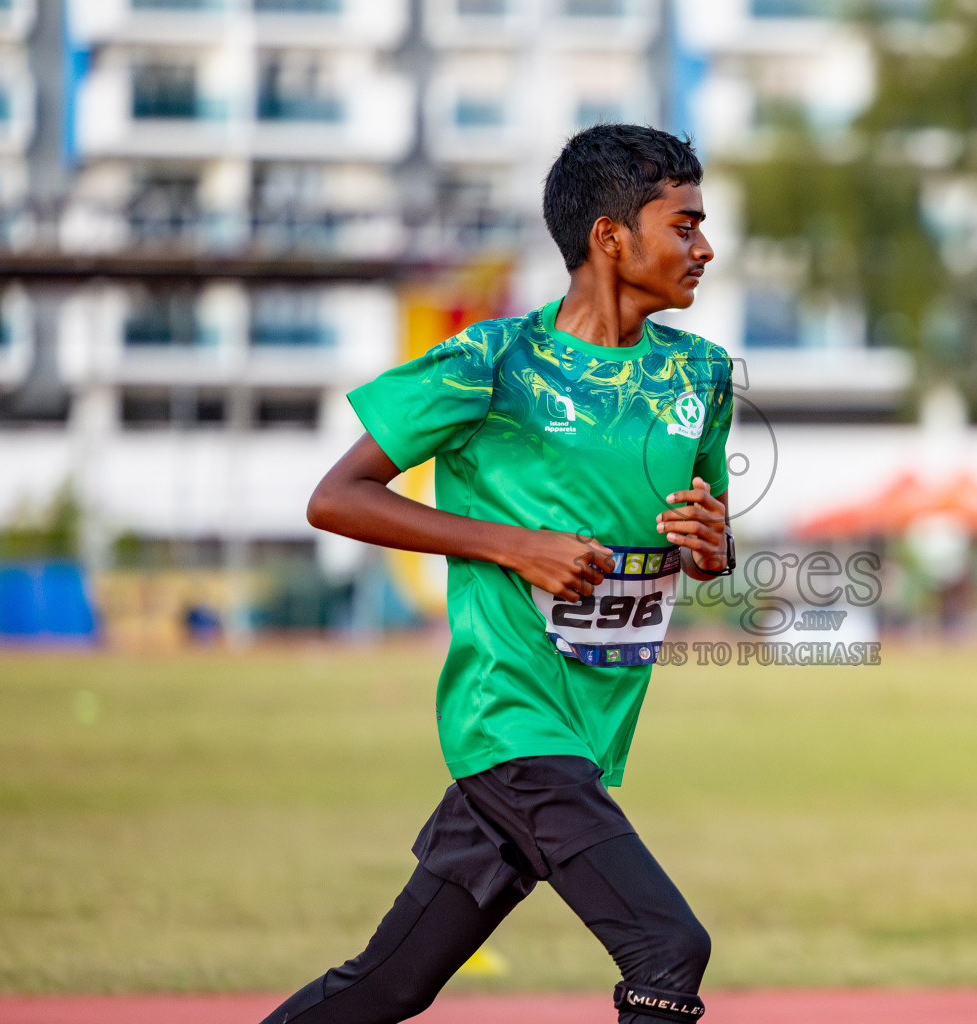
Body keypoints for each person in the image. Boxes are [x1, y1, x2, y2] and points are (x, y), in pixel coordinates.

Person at [259, 124, 734, 1024]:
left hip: (588, 733)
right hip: (510, 720)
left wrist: (713, 544)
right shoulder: (495, 362)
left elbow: (705, 546)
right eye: (685, 225)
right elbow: (337, 498)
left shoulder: (699, 374)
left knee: (387, 987)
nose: (704, 248)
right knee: (667, 947)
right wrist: (515, 545)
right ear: (610, 236)